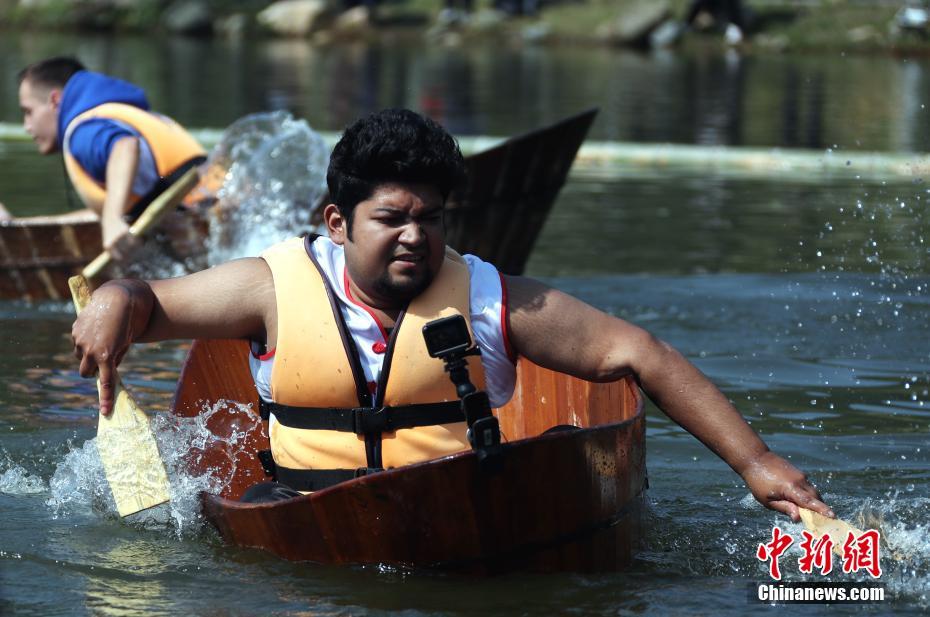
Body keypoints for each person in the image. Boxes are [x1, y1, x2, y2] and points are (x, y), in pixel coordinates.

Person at [71, 108, 833, 521]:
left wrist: (757, 463)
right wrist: (113, 300)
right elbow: (144, 303)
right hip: (302, 525)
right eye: (392, 217)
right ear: (337, 222)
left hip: (461, 522)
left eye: (431, 217)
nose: (416, 235)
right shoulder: (269, 287)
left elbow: (640, 353)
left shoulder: (492, 298)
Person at [2, 57, 207, 258]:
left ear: (55, 101)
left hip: (205, 214)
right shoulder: (113, 117)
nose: (27, 126)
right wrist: (16, 226)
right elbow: (109, 213)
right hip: (212, 214)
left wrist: (112, 220)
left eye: (28, 112)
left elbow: (124, 146)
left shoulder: (82, 130)